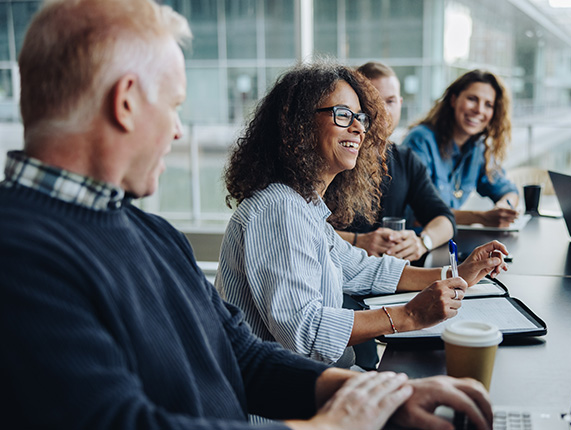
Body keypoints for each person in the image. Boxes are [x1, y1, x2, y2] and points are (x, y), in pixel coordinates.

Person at [0, 1, 495, 429]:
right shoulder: (19, 254)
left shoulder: (152, 234)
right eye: (175, 106)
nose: (177, 132)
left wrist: (374, 394)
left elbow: (242, 354)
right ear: (126, 102)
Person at [216, 61, 509, 368]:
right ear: (298, 125)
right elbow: (306, 333)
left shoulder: (303, 206)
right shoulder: (279, 209)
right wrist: (410, 315)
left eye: (360, 117)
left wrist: (457, 274)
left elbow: (364, 270)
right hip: (282, 407)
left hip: (314, 384)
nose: (358, 127)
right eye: (343, 115)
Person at [333, 61, 455, 263]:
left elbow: (444, 219)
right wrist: (357, 241)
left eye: (389, 101)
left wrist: (423, 242)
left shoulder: (405, 159)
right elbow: (304, 227)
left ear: (400, 103)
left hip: (391, 279)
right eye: (372, 102)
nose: (382, 111)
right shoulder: (336, 156)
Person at [402, 69, 520, 228]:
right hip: (416, 243)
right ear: (453, 100)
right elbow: (417, 215)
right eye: (472, 99)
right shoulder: (421, 140)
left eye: (488, 105)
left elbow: (508, 190)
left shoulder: (478, 148)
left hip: (448, 240)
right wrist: (481, 217)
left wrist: (504, 207)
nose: (479, 110)